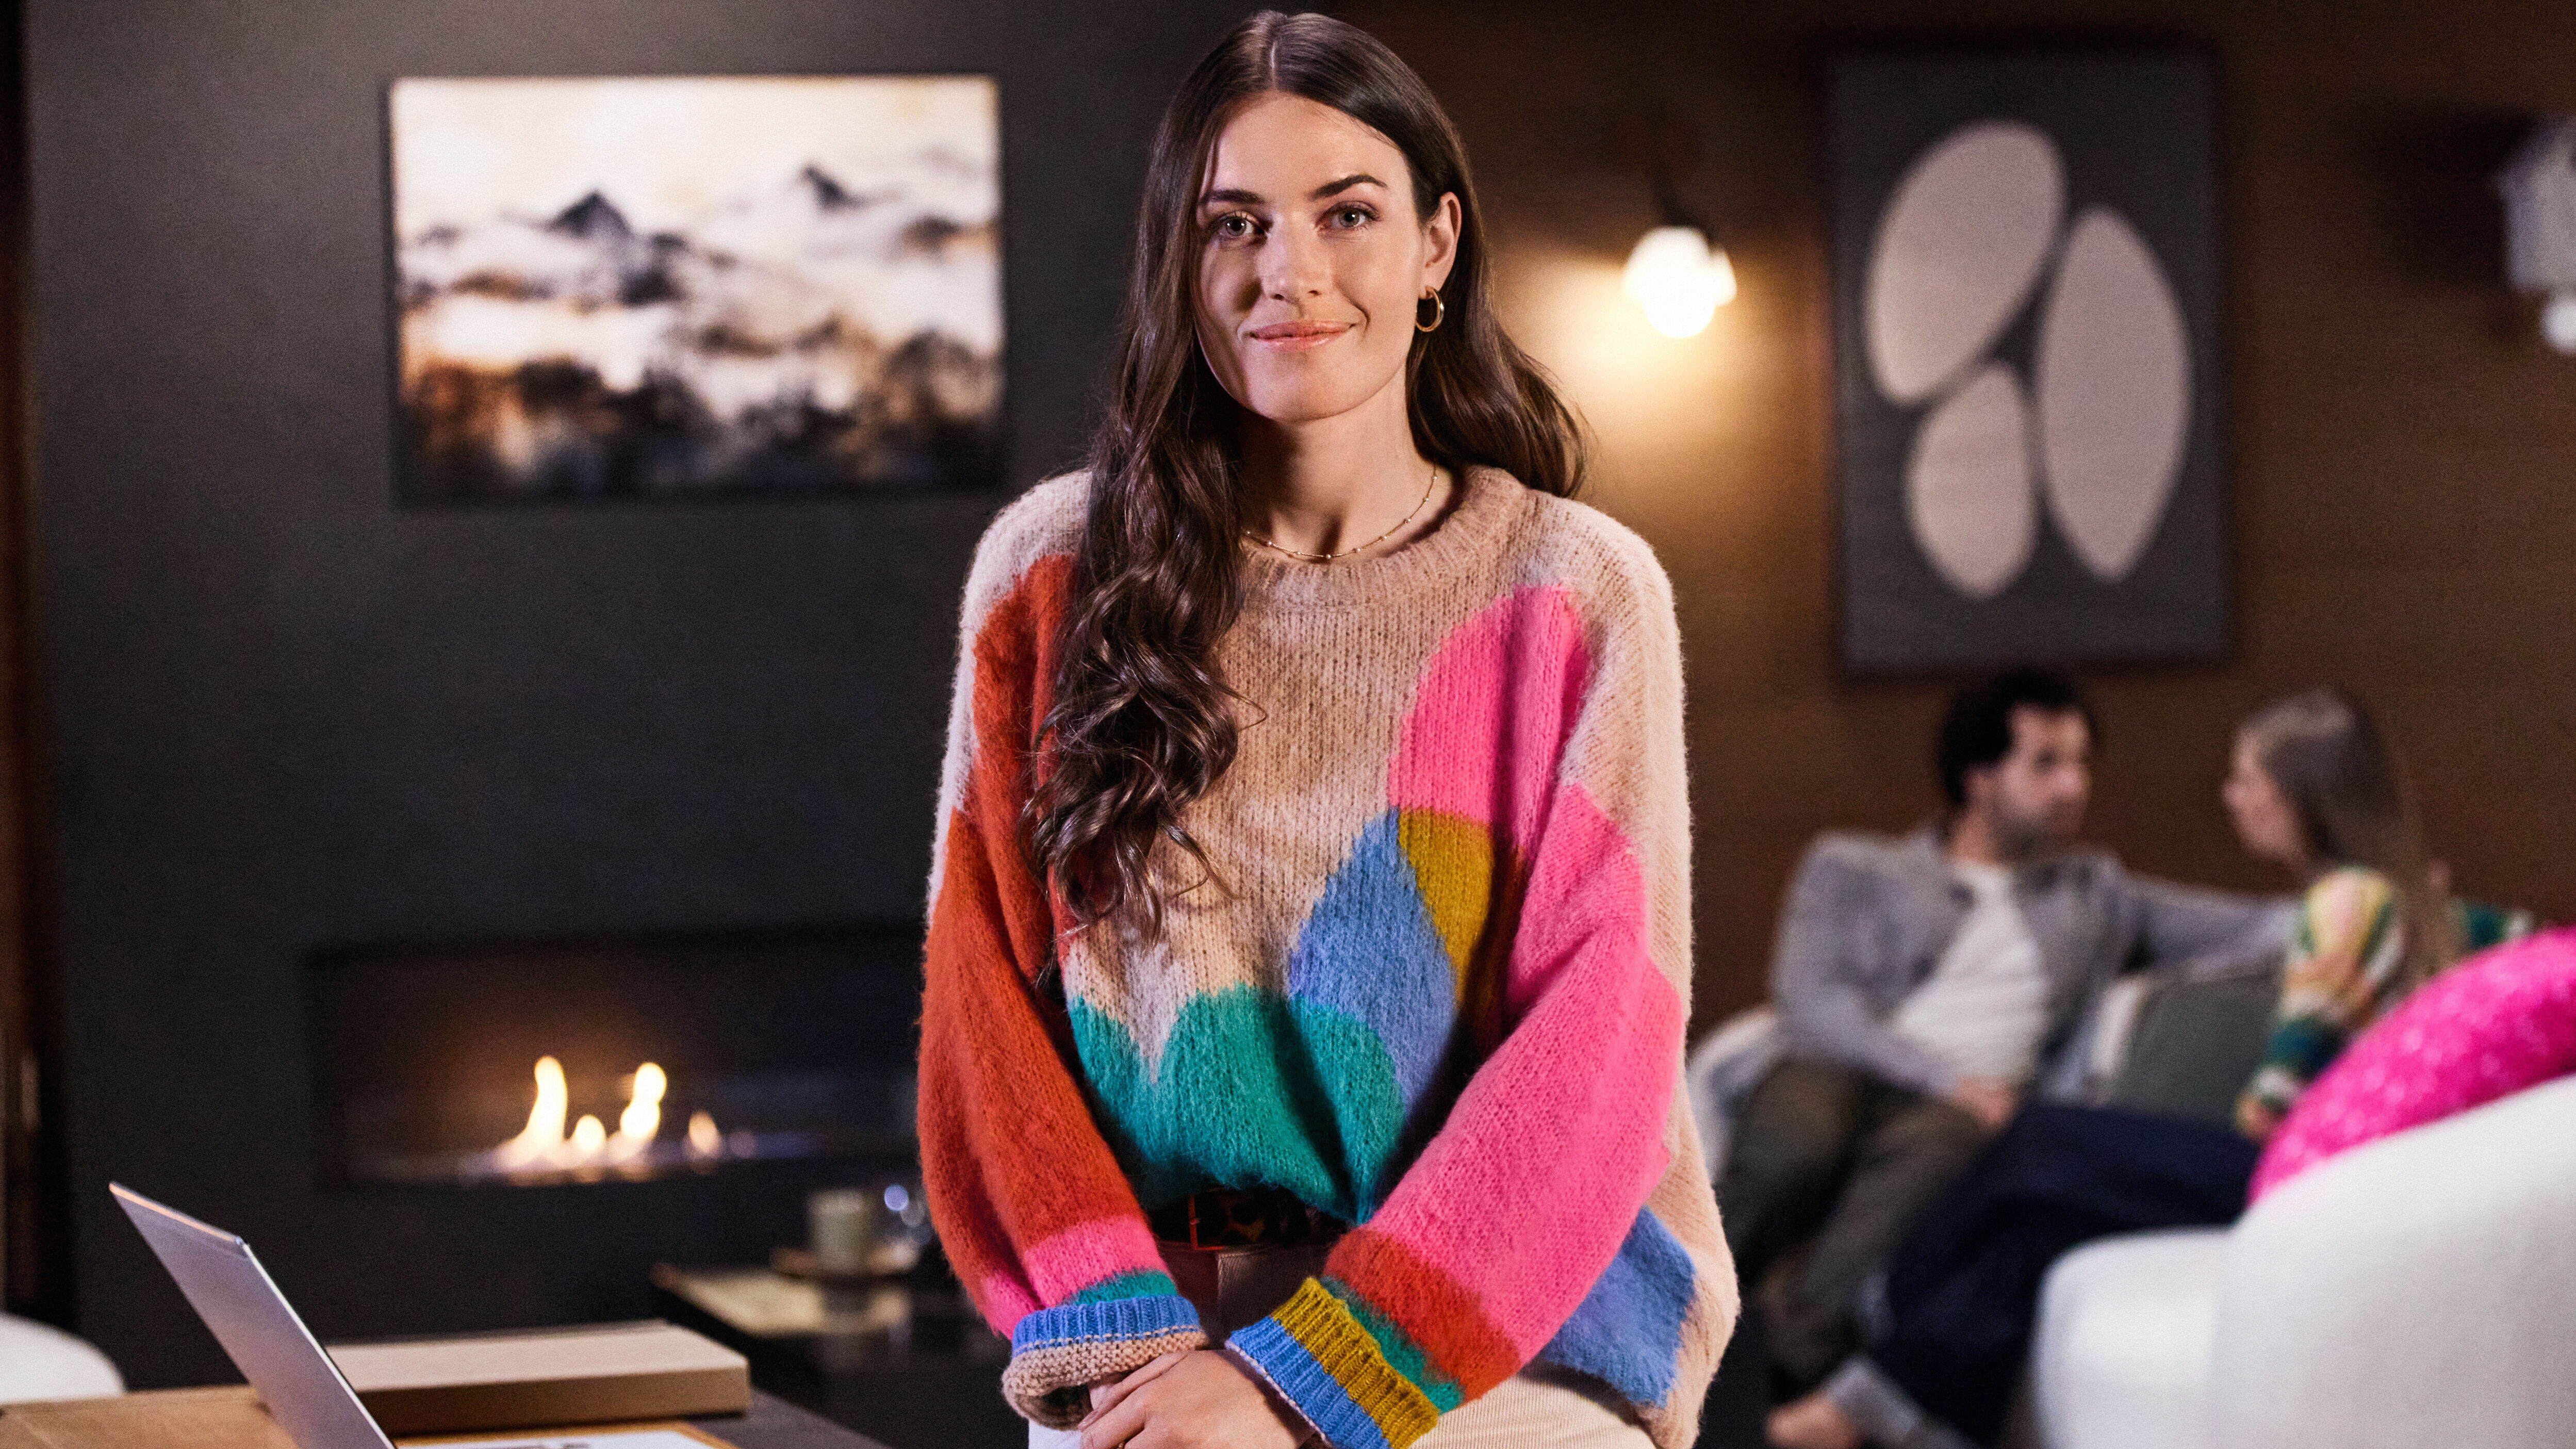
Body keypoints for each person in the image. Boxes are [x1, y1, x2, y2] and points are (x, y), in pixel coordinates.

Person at [915, 14, 1734, 1449]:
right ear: (1180, 261)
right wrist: (1129, 1344)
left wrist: (1311, 1380)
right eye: (1232, 223)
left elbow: (1596, 1054)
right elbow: (979, 1009)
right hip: (1151, 1327)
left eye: (1345, 213)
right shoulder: (1051, 575)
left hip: (1512, 1327)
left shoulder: (1575, 593)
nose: (1284, 272)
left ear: (1434, 248)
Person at [1765, 687, 2537, 1449]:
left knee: (2041, 1147)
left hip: (2292, 1168)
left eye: (2246, 780)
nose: (2232, 798)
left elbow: (2277, 1098)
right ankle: (1888, 1400)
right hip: (2321, 1162)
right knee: (2038, 1191)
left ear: (2296, 797)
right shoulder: (2399, 906)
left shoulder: (2345, 905)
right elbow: (2525, 942)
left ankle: (1875, 1366)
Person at [1715, 670, 2286, 1398]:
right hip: (1843, 1066)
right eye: (2046, 762)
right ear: (1980, 775)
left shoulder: (2096, 893)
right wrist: (1941, 1076)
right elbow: (1811, 1001)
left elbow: (2252, 926)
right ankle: (1657, 1332)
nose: (2073, 785)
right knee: (1798, 1148)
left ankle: (1787, 1373)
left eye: (2080, 762)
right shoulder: (1854, 867)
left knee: (1930, 1158)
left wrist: (2385, 901)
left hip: (1967, 1108)